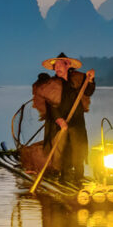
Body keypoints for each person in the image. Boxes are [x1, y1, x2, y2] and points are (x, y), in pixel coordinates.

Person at [34, 52, 95, 185]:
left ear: (67, 65)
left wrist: (90, 79)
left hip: (77, 120)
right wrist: (59, 120)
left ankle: (79, 178)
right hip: (60, 122)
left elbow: (88, 91)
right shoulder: (52, 84)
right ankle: (64, 178)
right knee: (64, 150)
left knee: (79, 148)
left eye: (59, 65)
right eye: (55, 67)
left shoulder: (78, 79)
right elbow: (51, 105)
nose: (57, 69)